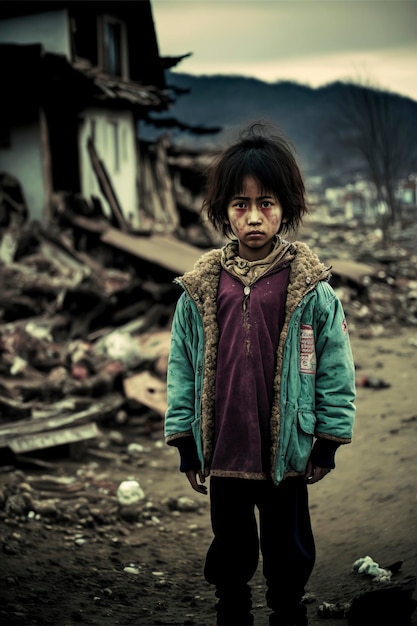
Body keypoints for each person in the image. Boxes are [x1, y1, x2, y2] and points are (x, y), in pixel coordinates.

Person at [164, 122, 356, 626]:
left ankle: (287, 613)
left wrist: (328, 440)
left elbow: (335, 370)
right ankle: (233, 611)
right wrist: (186, 440)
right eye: (240, 205)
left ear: (286, 208)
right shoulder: (202, 289)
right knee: (230, 558)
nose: (253, 217)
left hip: (286, 453)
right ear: (223, 212)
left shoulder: (310, 291)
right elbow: (182, 368)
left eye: (266, 203)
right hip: (224, 450)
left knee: (287, 555)